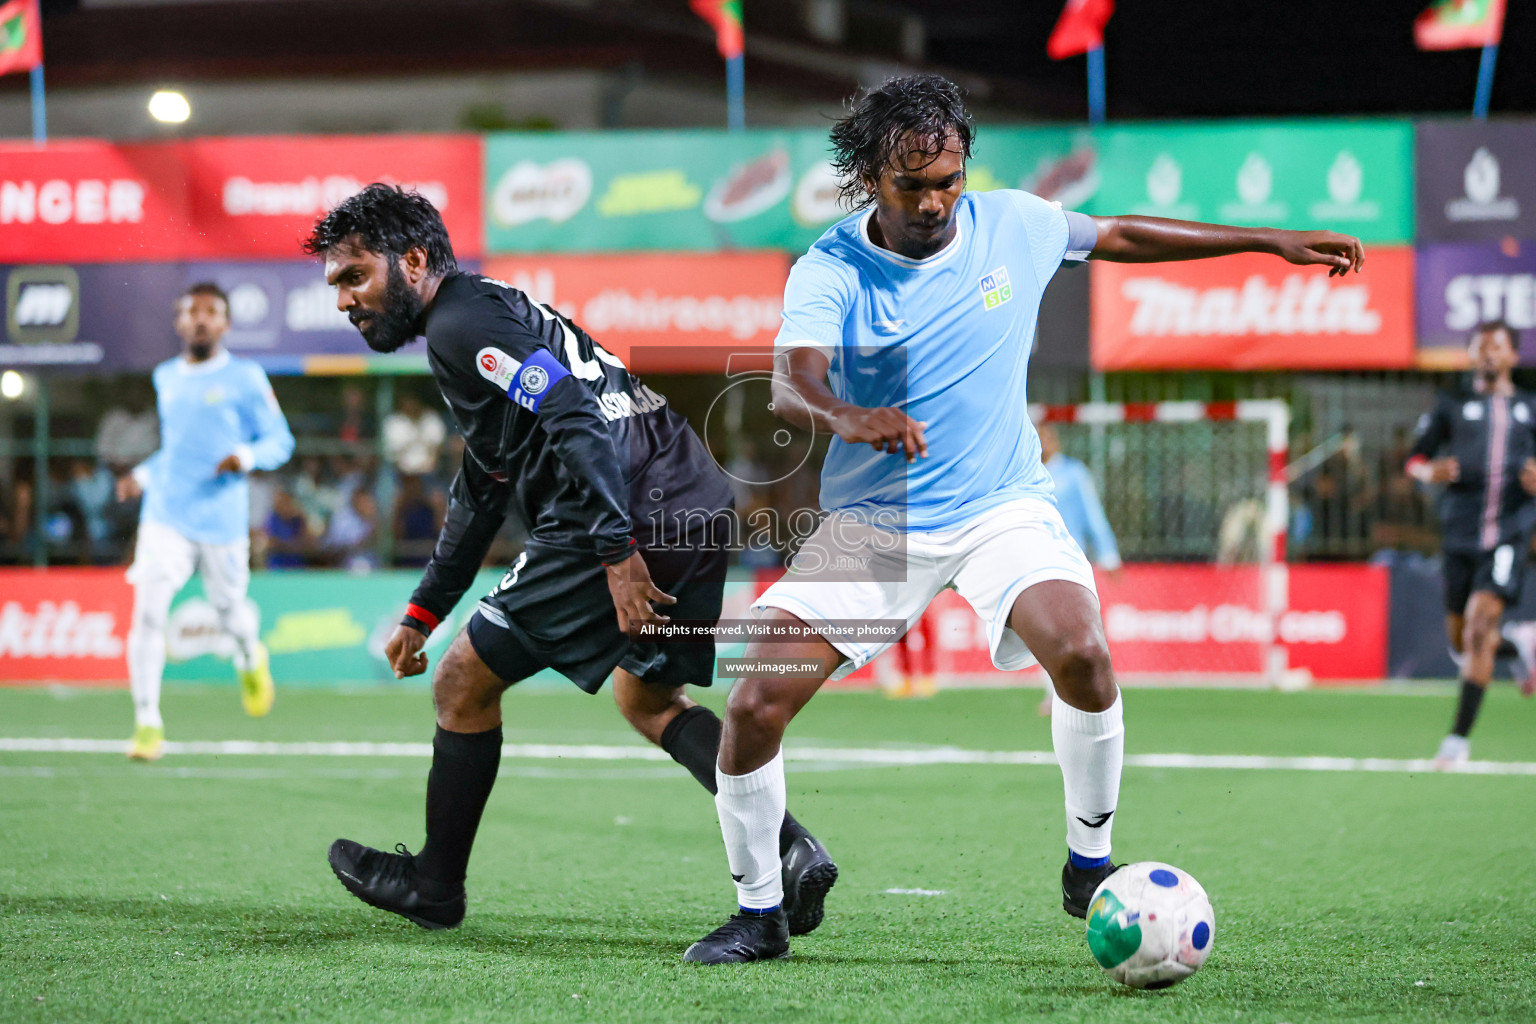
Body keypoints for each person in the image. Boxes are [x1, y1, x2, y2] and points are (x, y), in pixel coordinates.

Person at [682, 74, 1365, 964]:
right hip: (877, 522)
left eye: (947, 180)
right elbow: (790, 380)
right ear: (869, 177)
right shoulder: (833, 267)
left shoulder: (1015, 224)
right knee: (752, 704)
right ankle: (760, 914)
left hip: (1000, 503)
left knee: (1082, 653)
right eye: (910, 183)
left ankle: (1089, 863)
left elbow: (1117, 233)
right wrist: (848, 417)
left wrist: (1267, 241)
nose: (933, 201)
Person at [303, 184, 837, 935]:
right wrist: (424, 609)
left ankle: (434, 886)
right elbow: (485, 483)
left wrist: (616, 552)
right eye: (336, 284)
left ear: (414, 260)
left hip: (624, 516)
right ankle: (789, 848)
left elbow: (572, 413)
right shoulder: (489, 310)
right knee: (648, 702)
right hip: (692, 495)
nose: (343, 300)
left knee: (462, 684)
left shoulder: (459, 323)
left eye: (353, 276)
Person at [116, 283, 295, 762]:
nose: (200, 319)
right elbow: (177, 451)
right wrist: (142, 474)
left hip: (221, 519)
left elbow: (281, 441)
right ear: (178, 322)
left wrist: (246, 454)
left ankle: (249, 656)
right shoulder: (166, 377)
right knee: (148, 613)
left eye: (211, 312)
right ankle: (147, 723)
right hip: (166, 515)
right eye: (191, 312)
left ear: (225, 323)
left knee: (230, 613)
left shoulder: (246, 377)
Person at [1406, 321, 1536, 769]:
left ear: (1513, 356)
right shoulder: (1452, 405)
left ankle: (1457, 741)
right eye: (1480, 347)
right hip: (1460, 535)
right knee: (1461, 644)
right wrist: (1426, 472)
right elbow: (1414, 457)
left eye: (1497, 347)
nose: (1488, 354)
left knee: (1480, 628)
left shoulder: (1529, 409)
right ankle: (1519, 646)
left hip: (1509, 534)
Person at [1036, 421, 1121, 715]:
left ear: (1055, 439)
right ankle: (1057, 694)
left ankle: (1093, 688)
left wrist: (1109, 554)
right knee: (1046, 630)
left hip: (1071, 561)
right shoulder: (1028, 475)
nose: (1042, 442)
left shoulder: (1074, 474)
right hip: (1037, 561)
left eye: (1046, 435)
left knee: (1079, 627)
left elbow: (1093, 515)